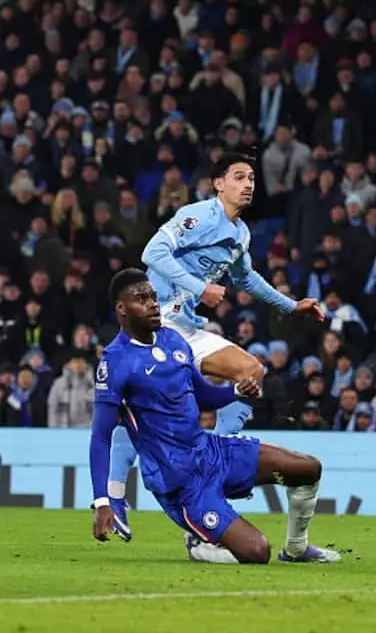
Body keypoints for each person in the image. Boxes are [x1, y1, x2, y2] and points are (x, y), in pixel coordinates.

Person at [104, 153, 325, 540]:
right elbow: (152, 253)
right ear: (218, 184)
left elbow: (247, 278)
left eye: (251, 178)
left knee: (251, 371)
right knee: (141, 409)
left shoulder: (240, 234)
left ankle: (212, 467)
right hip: (158, 324)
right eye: (239, 177)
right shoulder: (199, 216)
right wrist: (199, 287)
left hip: (188, 329)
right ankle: (115, 495)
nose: (248, 184)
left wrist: (292, 306)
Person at [89, 268, 339, 564]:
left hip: (210, 451)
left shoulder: (172, 340)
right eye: (141, 299)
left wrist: (236, 391)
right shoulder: (115, 362)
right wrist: (103, 500)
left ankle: (297, 548)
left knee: (308, 468)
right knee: (257, 552)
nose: (153, 304)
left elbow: (204, 396)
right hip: (179, 482)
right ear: (122, 308)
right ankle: (199, 542)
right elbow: (101, 436)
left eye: (154, 297)